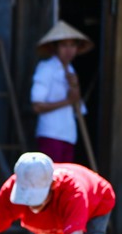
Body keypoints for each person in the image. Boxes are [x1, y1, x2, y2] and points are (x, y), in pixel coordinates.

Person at [31, 20, 94, 163]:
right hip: (51, 133)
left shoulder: (71, 70)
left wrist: (75, 88)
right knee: (52, 178)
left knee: (65, 180)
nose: (69, 50)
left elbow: (78, 108)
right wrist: (67, 101)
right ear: (55, 48)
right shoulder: (46, 68)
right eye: (64, 45)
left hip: (68, 134)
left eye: (72, 45)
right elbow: (37, 106)